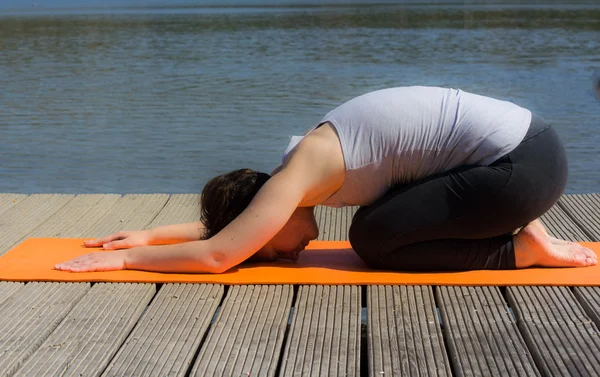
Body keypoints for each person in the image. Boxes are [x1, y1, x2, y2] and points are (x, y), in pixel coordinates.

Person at [54, 86, 597, 273]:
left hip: (520, 169)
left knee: (373, 238)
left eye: (267, 250)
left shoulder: (300, 175)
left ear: (263, 218)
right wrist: (149, 236)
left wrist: (127, 259)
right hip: (529, 155)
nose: (285, 252)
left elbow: (220, 254)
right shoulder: (302, 167)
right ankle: (523, 233)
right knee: (379, 222)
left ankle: (520, 251)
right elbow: (233, 235)